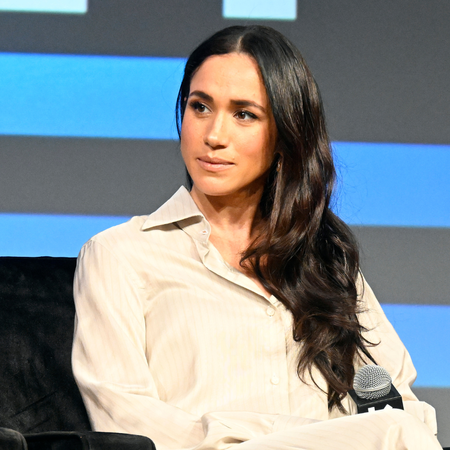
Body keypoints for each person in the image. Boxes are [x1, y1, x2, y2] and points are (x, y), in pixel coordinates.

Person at [72, 26, 441, 450]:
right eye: (200, 107)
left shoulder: (325, 262)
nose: (214, 135)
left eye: (244, 114)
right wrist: (274, 434)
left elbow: (394, 399)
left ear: (284, 136)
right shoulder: (121, 254)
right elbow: (122, 417)